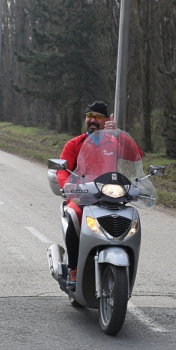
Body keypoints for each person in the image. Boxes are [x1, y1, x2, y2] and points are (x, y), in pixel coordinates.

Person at [55, 101, 142, 289]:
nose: (93, 120)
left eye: (98, 116)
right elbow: (62, 170)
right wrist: (67, 187)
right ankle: (73, 269)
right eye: (89, 116)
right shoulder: (74, 144)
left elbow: (136, 155)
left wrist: (118, 133)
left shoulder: (114, 142)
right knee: (76, 216)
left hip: (110, 196)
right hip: (82, 196)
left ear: (106, 120)